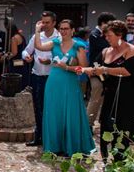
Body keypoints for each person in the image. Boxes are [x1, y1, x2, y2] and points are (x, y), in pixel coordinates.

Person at [81, 20, 134, 160]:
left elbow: (128, 71)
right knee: (105, 123)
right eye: (105, 35)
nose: (106, 38)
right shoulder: (105, 51)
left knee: (123, 128)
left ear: (119, 34)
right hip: (110, 93)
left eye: (109, 35)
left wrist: (104, 69)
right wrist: (88, 70)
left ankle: (122, 159)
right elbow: (96, 67)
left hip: (129, 95)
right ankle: (105, 157)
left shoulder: (132, 50)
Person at [34, 19, 95, 157]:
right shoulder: (55, 43)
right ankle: (54, 146)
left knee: (71, 112)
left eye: (66, 28)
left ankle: (70, 146)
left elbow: (84, 69)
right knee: (54, 113)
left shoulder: (78, 46)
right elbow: (38, 46)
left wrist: (68, 67)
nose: (63, 31)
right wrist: (37, 30)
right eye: (61, 28)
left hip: (70, 82)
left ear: (72, 30)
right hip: (54, 82)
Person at [23, 11, 60, 147]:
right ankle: (38, 136)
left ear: (54, 23)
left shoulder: (59, 37)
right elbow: (27, 50)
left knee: (51, 108)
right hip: (37, 76)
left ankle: (51, 138)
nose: (44, 25)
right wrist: (26, 56)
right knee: (38, 107)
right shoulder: (37, 36)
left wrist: (49, 61)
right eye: (42, 22)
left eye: (47, 22)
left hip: (53, 77)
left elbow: (63, 57)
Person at [87, 12, 115, 126]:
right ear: (103, 23)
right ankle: (88, 123)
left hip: (105, 69)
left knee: (103, 96)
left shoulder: (104, 34)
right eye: (109, 23)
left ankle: (101, 120)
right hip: (96, 68)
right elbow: (106, 47)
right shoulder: (94, 35)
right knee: (96, 96)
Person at [8, 24, 30, 89]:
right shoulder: (21, 37)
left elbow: (14, 53)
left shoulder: (14, 38)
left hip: (16, 62)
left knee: (15, 81)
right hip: (22, 61)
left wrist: (7, 56)